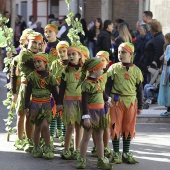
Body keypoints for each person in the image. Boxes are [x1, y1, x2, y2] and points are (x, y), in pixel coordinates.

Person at [105, 42, 143, 164]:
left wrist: (140, 105)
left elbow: (139, 89)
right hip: (116, 101)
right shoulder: (113, 68)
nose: (120, 55)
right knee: (115, 126)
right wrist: (107, 99)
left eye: (123, 52)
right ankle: (116, 153)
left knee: (128, 127)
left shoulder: (136, 71)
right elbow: (108, 85)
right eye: (119, 52)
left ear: (130, 54)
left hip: (131, 102)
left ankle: (126, 153)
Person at [75, 58, 113, 170]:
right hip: (90, 114)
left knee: (99, 137)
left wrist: (107, 100)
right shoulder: (86, 84)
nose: (103, 70)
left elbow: (102, 92)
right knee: (86, 137)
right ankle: (81, 159)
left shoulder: (99, 80)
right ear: (93, 70)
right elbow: (84, 102)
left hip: (100, 112)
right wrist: (86, 117)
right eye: (101, 69)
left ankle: (101, 159)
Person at [24, 52, 58, 159]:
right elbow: (28, 92)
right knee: (37, 127)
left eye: (39, 61)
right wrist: (26, 106)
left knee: (45, 125)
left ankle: (47, 147)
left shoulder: (50, 77)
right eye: (35, 62)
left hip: (46, 105)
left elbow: (55, 92)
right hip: (35, 104)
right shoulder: (32, 76)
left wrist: (60, 104)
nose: (37, 64)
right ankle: (37, 147)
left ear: (45, 62)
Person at [15, 32, 44, 152]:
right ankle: (21, 139)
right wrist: (43, 53)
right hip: (26, 88)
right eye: (34, 42)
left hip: (37, 88)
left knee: (33, 116)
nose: (36, 46)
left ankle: (31, 139)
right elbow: (37, 64)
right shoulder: (24, 54)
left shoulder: (38, 54)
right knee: (22, 114)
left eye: (39, 43)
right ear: (28, 42)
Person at [57, 45, 84, 160]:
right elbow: (62, 88)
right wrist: (59, 103)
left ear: (79, 56)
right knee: (70, 126)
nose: (71, 56)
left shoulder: (85, 70)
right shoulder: (65, 71)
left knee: (79, 126)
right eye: (69, 55)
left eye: (74, 54)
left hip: (81, 102)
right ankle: (66, 149)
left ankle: (77, 149)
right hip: (69, 101)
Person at [90, 51, 111, 158]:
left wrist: (108, 98)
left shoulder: (108, 74)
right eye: (98, 59)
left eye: (102, 60)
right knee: (94, 127)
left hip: (104, 103)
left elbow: (108, 88)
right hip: (95, 104)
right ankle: (96, 147)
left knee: (105, 126)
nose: (100, 62)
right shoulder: (93, 75)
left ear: (107, 62)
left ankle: (105, 147)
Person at [50, 41, 70, 142]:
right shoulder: (55, 63)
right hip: (55, 91)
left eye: (64, 51)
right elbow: (51, 77)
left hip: (66, 92)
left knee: (65, 114)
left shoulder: (70, 65)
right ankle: (50, 136)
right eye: (59, 51)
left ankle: (64, 136)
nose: (62, 54)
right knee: (54, 113)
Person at [143, 19, 164, 84]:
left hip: (152, 68)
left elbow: (158, 53)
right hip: (150, 67)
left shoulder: (158, 39)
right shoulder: (157, 37)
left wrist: (152, 65)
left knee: (151, 86)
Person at [158, 33, 170, 116]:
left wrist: (164, 59)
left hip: (167, 72)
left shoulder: (169, 47)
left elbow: (166, 61)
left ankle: (168, 109)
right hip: (167, 71)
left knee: (167, 91)